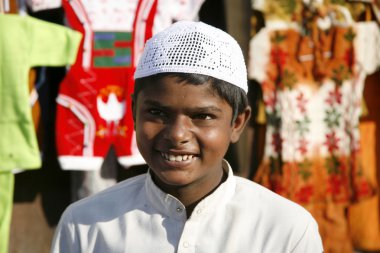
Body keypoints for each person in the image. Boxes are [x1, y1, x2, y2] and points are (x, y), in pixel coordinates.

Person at [50, 20, 324, 253]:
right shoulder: (85, 224)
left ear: (237, 123)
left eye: (202, 116)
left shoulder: (286, 230)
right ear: (133, 112)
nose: (177, 134)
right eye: (157, 113)